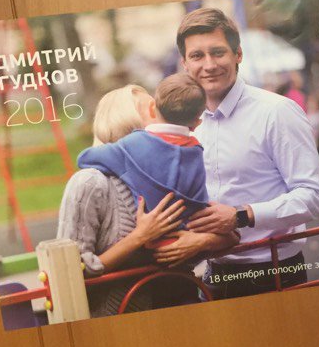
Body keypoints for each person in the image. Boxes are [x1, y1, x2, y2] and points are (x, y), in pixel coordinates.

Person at [177, 7, 319, 299]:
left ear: (238, 54)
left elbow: (312, 196)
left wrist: (242, 216)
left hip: (274, 273)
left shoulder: (277, 112)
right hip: (213, 274)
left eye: (218, 52)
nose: (209, 65)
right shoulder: (187, 124)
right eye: (197, 56)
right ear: (185, 64)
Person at [57, 84, 233, 316]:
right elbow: (68, 273)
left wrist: (201, 241)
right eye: (152, 108)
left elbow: (231, 237)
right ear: (127, 121)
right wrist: (139, 237)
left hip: (184, 303)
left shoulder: (176, 175)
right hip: (121, 314)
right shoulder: (91, 182)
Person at [76, 73, 211, 229]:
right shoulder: (195, 150)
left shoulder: (131, 147)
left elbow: (85, 158)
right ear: (197, 123)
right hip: (190, 232)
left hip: (161, 237)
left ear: (154, 109)